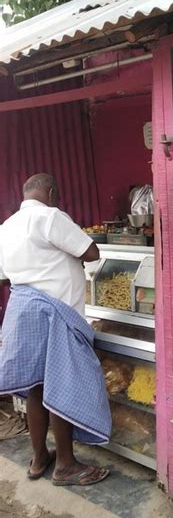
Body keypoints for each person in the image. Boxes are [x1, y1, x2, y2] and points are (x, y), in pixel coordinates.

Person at [0, 174, 111, 486]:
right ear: (50, 192)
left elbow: (4, 276)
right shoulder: (50, 216)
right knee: (62, 386)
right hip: (55, 313)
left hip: (22, 311)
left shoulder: (6, 226)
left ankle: (39, 458)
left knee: (37, 387)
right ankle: (65, 464)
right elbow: (92, 253)